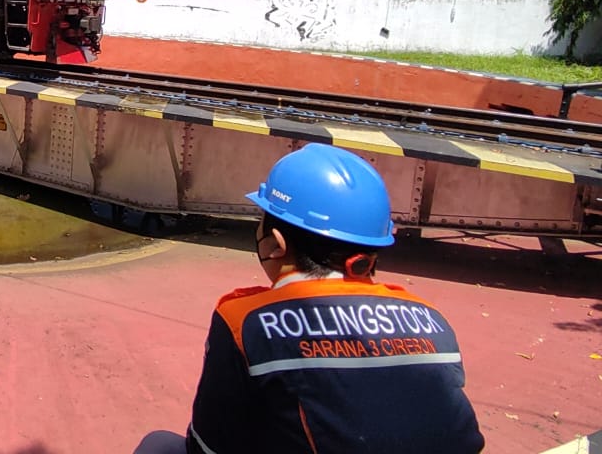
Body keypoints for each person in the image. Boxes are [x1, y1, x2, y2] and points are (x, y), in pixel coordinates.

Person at [135, 143, 484, 454]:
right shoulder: (430, 319)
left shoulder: (246, 322)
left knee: (158, 446)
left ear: (275, 243)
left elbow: (208, 446)